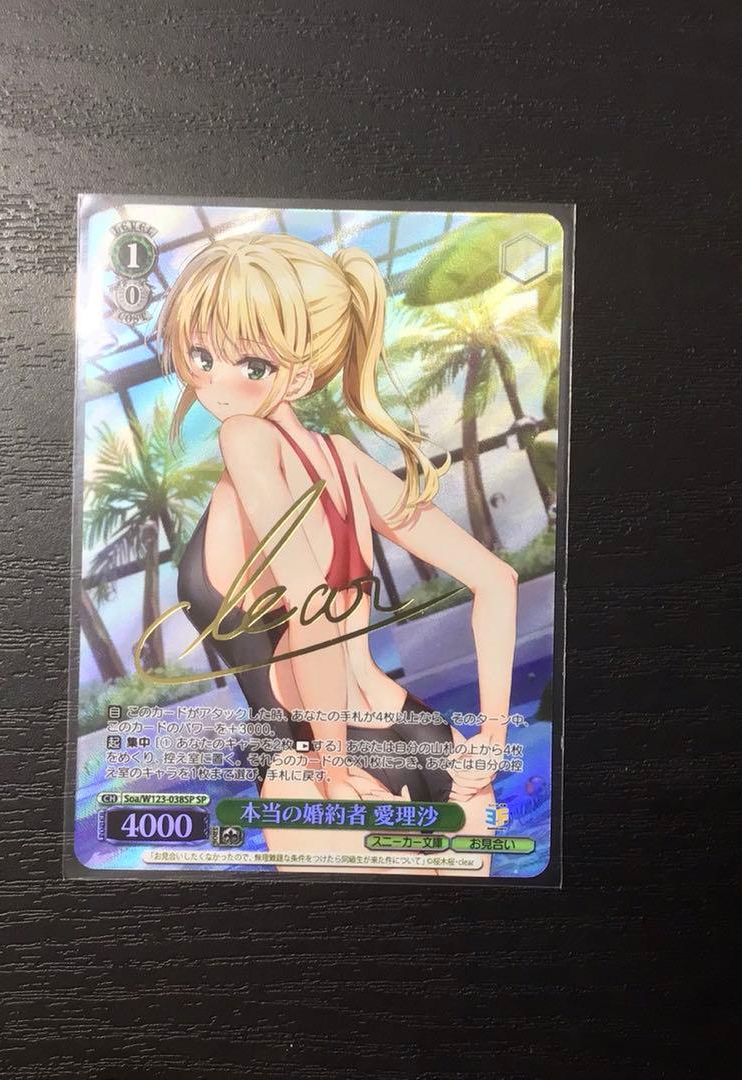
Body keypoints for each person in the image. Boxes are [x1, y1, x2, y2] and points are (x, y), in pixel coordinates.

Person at [157, 233, 518, 873]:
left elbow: (311, 606)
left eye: (251, 364)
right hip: (423, 734)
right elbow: (496, 579)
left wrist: (331, 766)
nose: (215, 382)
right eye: (202, 354)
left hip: (317, 756)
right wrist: (490, 736)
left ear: (298, 374)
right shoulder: (345, 459)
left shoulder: (244, 437)